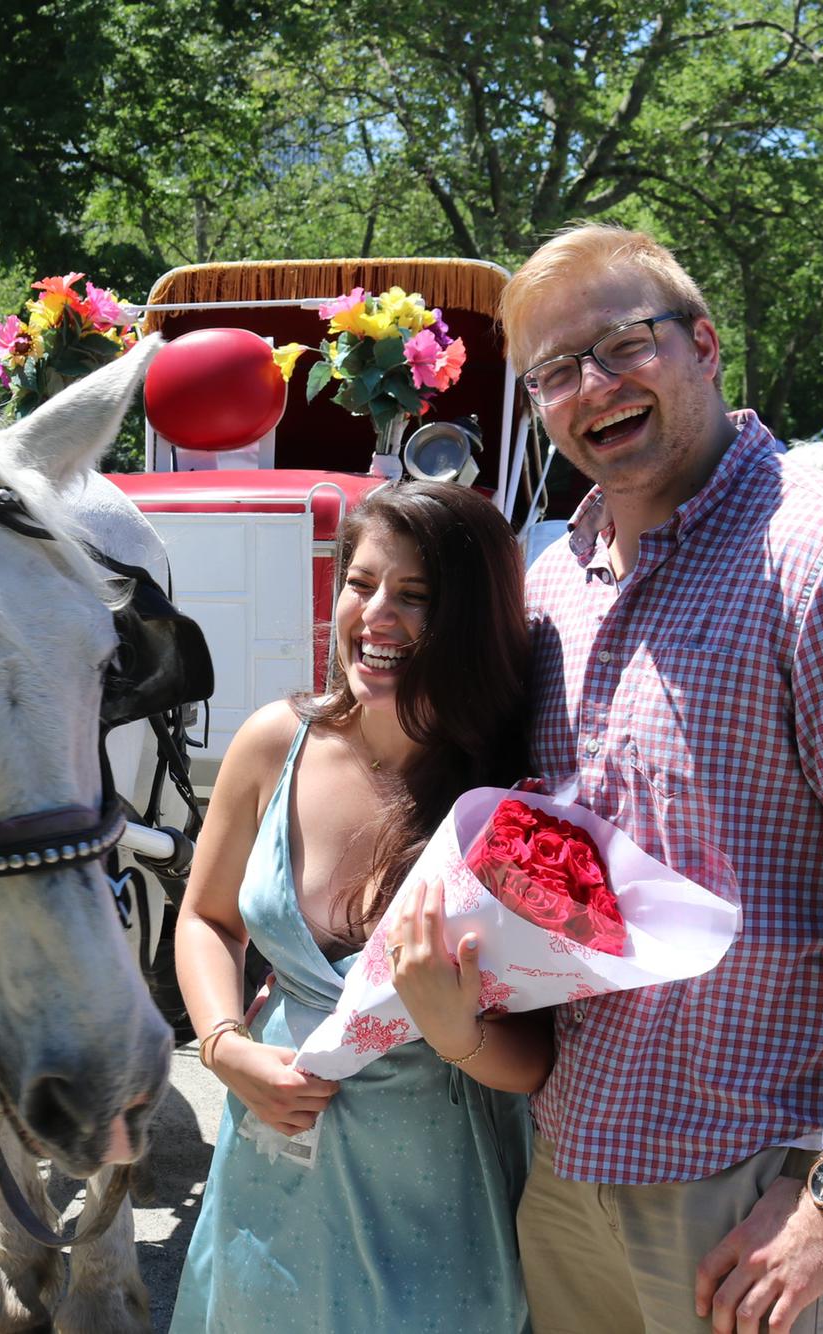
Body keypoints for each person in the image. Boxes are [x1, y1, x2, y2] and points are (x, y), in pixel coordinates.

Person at [498, 223, 823, 1334]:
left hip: (749, 1183)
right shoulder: (555, 586)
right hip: (569, 1165)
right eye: (552, 370)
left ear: (703, 343)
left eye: (620, 342)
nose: (592, 385)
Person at [170, 481, 550, 1334]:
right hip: (269, 1185)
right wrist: (225, 1048)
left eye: (414, 596)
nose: (376, 615)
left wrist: (457, 1030)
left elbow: (540, 1061)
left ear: (474, 621)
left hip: (434, 1204)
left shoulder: (510, 802)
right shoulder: (275, 742)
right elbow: (209, 919)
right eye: (361, 583)